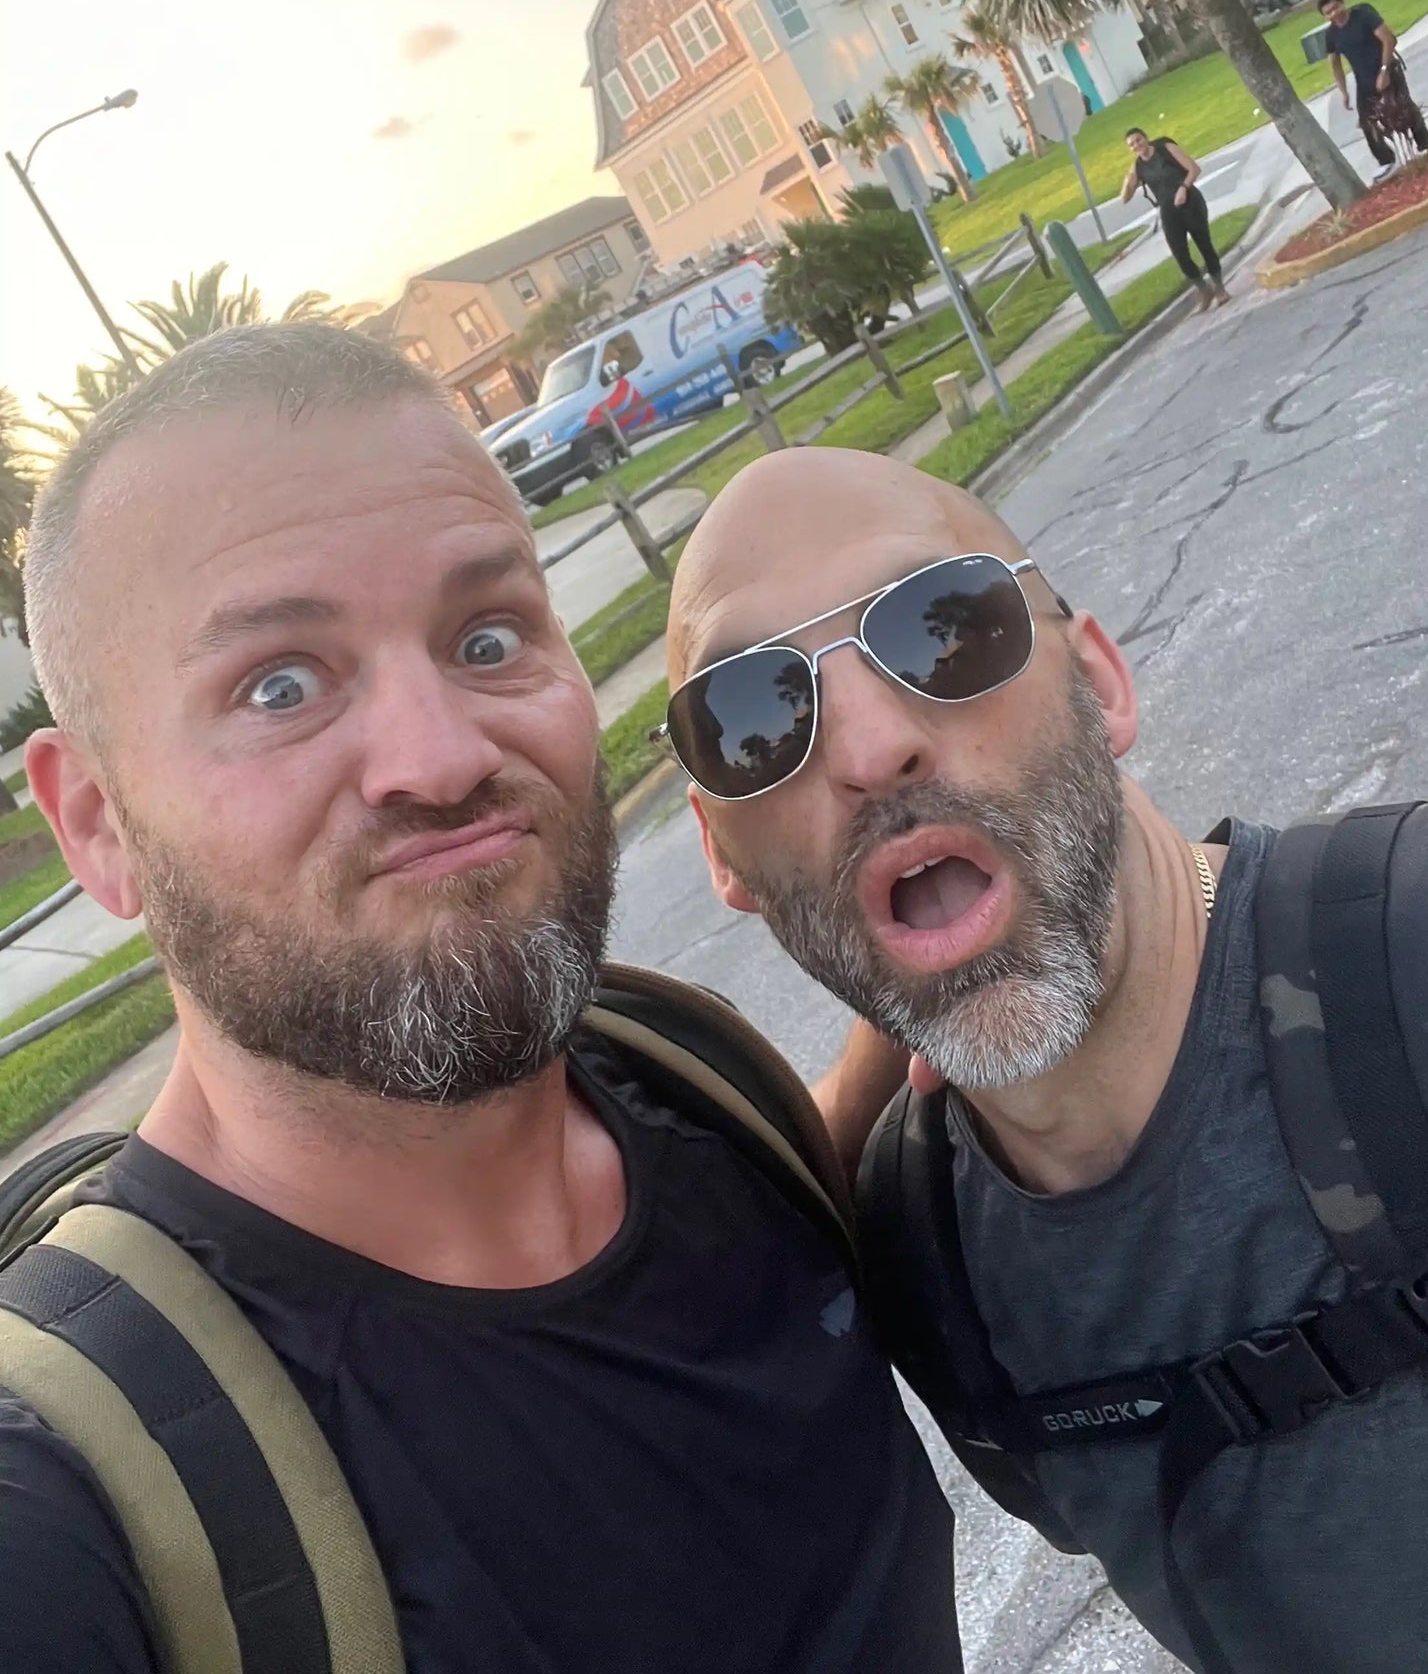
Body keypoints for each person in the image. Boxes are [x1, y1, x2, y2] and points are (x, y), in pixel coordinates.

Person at [0, 329, 961, 1672]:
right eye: (279, 685)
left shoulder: (701, 1087)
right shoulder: (71, 1504)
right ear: (96, 823)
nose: (441, 758)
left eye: (488, 635)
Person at [663, 444, 1428, 1674]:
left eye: (944, 630)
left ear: (1100, 683)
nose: (873, 746)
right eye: (756, 720)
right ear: (722, 854)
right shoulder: (926, 1265)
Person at [1319, 0, 1428, 177]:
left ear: (1342, 3)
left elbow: (1388, 39)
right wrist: (1344, 92)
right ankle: (1386, 160)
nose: (1334, 14)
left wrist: (1385, 71)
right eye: (1328, 12)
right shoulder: (1331, 34)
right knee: (1367, 122)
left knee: (1404, 107)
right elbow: (1335, 63)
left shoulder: (1363, 16)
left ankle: (1426, 145)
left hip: (1388, 69)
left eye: (1335, 7)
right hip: (1363, 79)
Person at [1120, 128, 1228, 312]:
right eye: (1132, 145)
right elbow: (1124, 198)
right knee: (1180, 255)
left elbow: (1194, 169)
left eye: (1138, 140)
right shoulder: (1138, 166)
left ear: (1146, 138)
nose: (1137, 145)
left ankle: (1220, 288)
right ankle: (1204, 289)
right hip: (1169, 212)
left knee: (1204, 245)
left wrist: (1183, 188)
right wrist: (1128, 180)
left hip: (1190, 203)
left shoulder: (1164, 148)